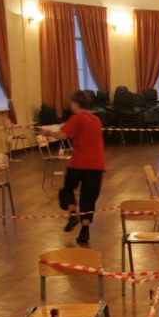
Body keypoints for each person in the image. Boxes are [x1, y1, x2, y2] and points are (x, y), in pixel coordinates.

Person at [42, 90, 105, 246]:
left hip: (79, 163)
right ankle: (85, 231)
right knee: (88, 198)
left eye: (71, 102)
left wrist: (47, 132)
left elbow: (63, 135)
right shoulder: (96, 120)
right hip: (96, 164)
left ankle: (72, 213)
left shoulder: (77, 118)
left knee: (67, 190)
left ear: (76, 103)